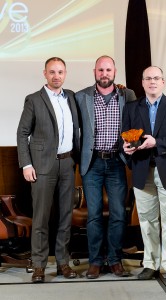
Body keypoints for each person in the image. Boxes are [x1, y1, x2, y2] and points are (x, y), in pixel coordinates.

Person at [122, 66, 166, 281]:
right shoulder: (132, 107)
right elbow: (124, 137)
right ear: (142, 83)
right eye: (148, 78)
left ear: (163, 82)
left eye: (156, 78)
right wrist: (126, 149)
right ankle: (150, 263)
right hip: (142, 170)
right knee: (147, 220)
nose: (152, 81)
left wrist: (157, 142)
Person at [17, 57, 80, 283]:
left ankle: (63, 263)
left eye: (60, 72)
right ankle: (39, 266)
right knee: (41, 218)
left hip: (67, 163)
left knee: (65, 216)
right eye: (52, 72)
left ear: (65, 73)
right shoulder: (34, 100)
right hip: (42, 165)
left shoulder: (72, 97)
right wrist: (26, 164)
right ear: (44, 73)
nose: (56, 76)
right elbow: (22, 133)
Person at [75, 55, 136, 279]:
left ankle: (115, 259)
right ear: (94, 72)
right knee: (94, 215)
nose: (104, 74)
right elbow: (75, 131)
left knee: (119, 213)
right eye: (100, 70)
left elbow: (135, 124)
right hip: (92, 163)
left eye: (108, 70)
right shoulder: (82, 96)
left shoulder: (127, 95)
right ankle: (95, 261)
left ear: (115, 72)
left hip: (117, 162)